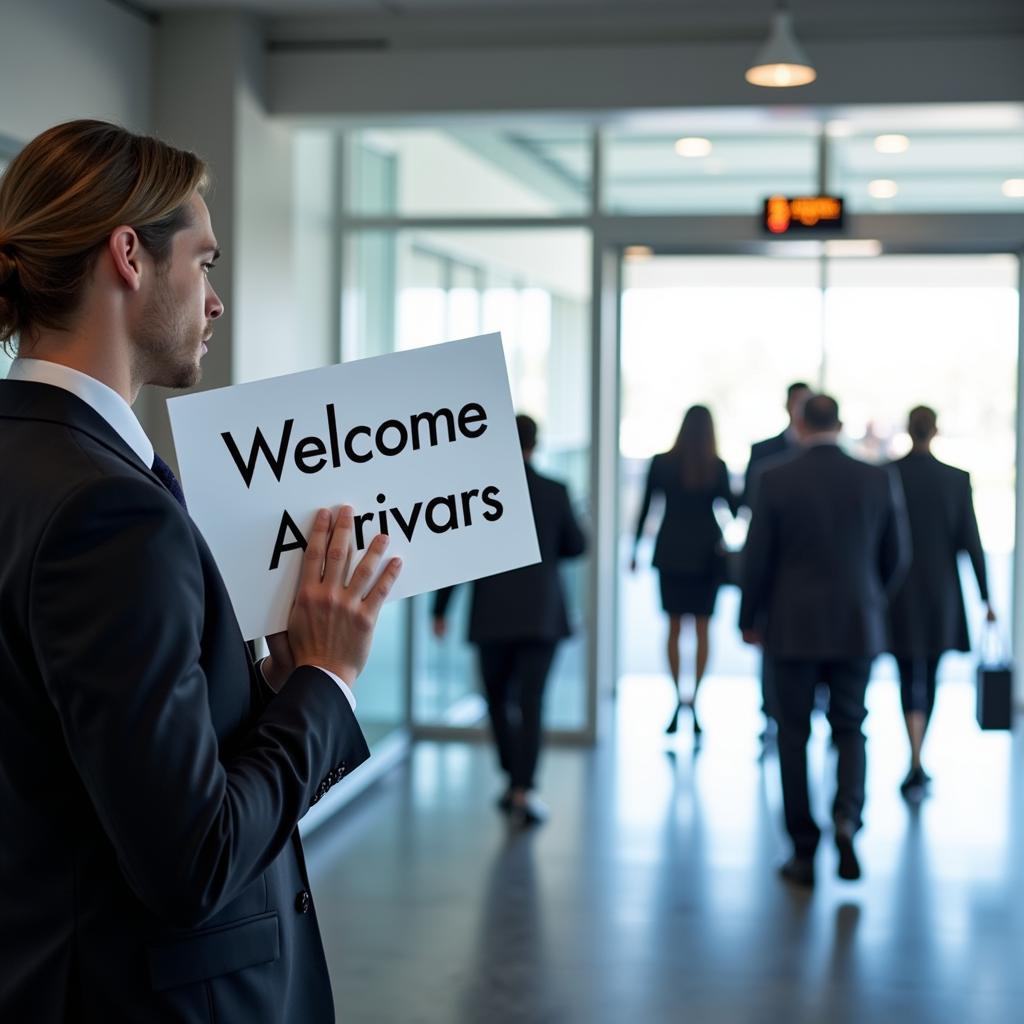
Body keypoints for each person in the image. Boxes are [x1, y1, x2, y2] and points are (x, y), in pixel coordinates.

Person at [0, 120, 402, 1022]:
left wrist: (266, 680)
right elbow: (195, 860)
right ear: (129, 256)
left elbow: (68, 748)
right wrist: (326, 681)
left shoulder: (43, 461)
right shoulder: (109, 511)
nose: (215, 301)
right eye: (206, 262)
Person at [740, 394, 909, 887]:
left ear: (798, 423)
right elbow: (897, 556)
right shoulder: (877, 478)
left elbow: (757, 560)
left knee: (792, 734)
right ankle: (847, 819)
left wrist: (750, 618)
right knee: (851, 726)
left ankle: (802, 848)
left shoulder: (774, 478)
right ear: (840, 424)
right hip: (857, 624)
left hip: (790, 628)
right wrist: (870, 598)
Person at [433, 414, 586, 826]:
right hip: (541, 615)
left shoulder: (481, 492)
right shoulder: (555, 491)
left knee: (497, 701)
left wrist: (440, 609)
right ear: (536, 444)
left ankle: (513, 779)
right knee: (532, 702)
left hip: (493, 615)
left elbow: (458, 555)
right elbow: (578, 545)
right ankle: (524, 786)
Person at [887, 405, 996, 798]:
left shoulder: (888, 474)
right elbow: (972, 542)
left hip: (897, 592)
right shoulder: (954, 480)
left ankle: (914, 754)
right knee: (928, 673)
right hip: (939, 593)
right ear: (935, 430)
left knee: (906, 673)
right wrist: (986, 596)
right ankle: (918, 756)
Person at [631, 405, 739, 737]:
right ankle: (695, 702)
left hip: (671, 552)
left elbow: (647, 507)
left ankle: (680, 698)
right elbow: (732, 511)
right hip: (707, 553)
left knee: (675, 628)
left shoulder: (663, 463)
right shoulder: (715, 466)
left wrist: (635, 549)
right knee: (704, 629)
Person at [743, 380, 812, 744]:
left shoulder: (843, 465)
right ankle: (769, 713)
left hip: (822, 586)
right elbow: (754, 527)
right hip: (779, 582)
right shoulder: (764, 454)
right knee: (774, 662)